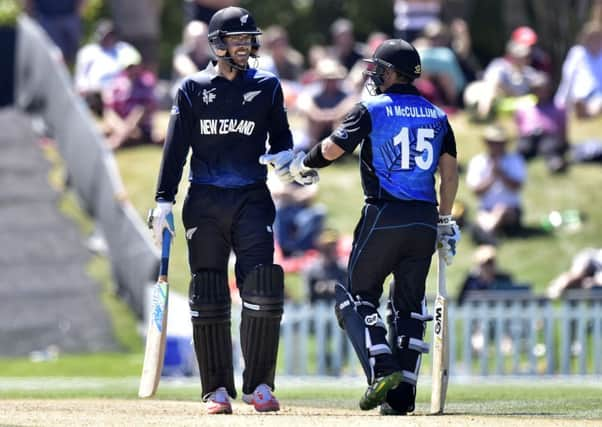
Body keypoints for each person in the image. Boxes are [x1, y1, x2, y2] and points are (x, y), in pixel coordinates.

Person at [149, 6, 316, 415]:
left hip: (251, 199)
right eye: (238, 40)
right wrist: (162, 200)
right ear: (218, 44)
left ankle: (259, 385)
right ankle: (215, 390)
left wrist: (289, 164)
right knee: (208, 292)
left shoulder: (268, 87)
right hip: (204, 201)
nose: (246, 46)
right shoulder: (192, 88)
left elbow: (281, 142)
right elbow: (174, 151)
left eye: (248, 39)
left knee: (262, 287)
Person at [286, 39, 459, 415]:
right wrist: (444, 220)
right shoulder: (437, 115)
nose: (375, 75)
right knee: (409, 305)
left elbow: (333, 149)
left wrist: (305, 163)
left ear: (392, 73)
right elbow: (449, 174)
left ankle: (382, 367)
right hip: (424, 218)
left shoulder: (372, 108)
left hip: (385, 214)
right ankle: (402, 398)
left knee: (356, 294)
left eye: (379, 69)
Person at [466, 125, 526, 245]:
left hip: (510, 210)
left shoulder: (515, 160)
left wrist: (502, 175)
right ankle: (489, 233)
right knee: (484, 216)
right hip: (486, 209)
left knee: (501, 211)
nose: (496, 146)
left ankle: (485, 233)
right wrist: (492, 177)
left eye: (499, 142)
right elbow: (476, 191)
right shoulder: (478, 161)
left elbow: (517, 186)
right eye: (493, 142)